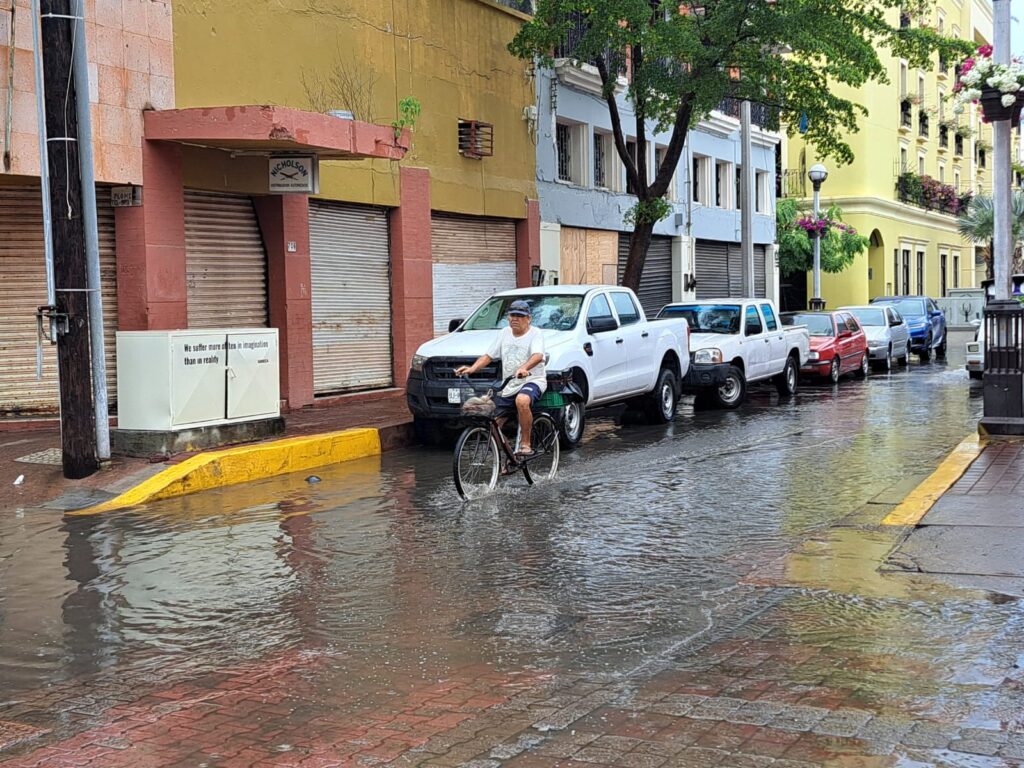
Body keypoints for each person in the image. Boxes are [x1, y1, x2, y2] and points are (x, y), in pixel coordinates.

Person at [455, 299, 547, 457]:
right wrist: (472, 369)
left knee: (522, 400)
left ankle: (526, 444)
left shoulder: (535, 333)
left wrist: (524, 368)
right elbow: (488, 356)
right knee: (492, 424)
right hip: (509, 385)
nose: (514, 319)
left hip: (533, 380)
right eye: (512, 315)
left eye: (519, 315)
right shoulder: (504, 333)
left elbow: (538, 355)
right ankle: (510, 457)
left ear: (528, 318)